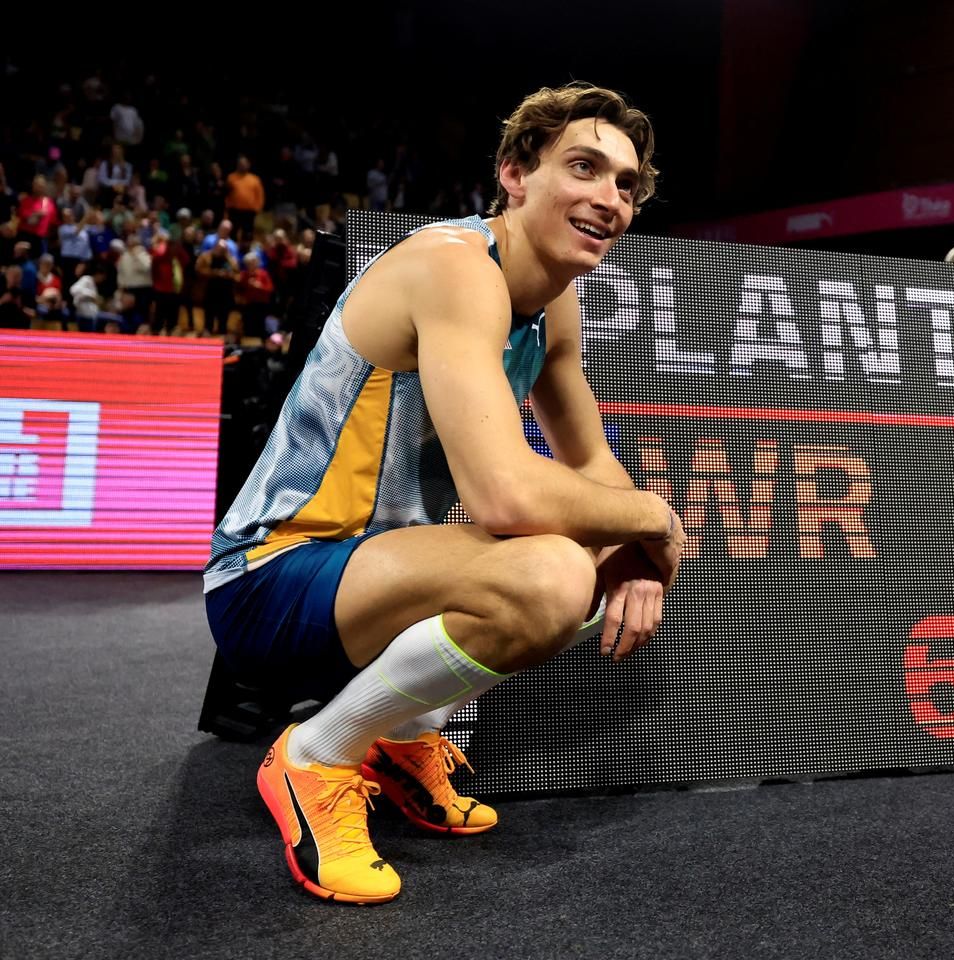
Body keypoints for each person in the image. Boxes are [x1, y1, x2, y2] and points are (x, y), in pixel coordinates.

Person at [203, 84, 682, 905]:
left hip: (373, 580)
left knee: (591, 547)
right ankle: (318, 753)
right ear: (514, 175)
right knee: (552, 575)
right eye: (584, 167)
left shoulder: (551, 301)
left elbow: (596, 467)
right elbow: (500, 493)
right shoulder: (453, 267)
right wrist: (657, 520)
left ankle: (405, 734)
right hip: (270, 578)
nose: (609, 197)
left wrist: (637, 546)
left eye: (626, 184)